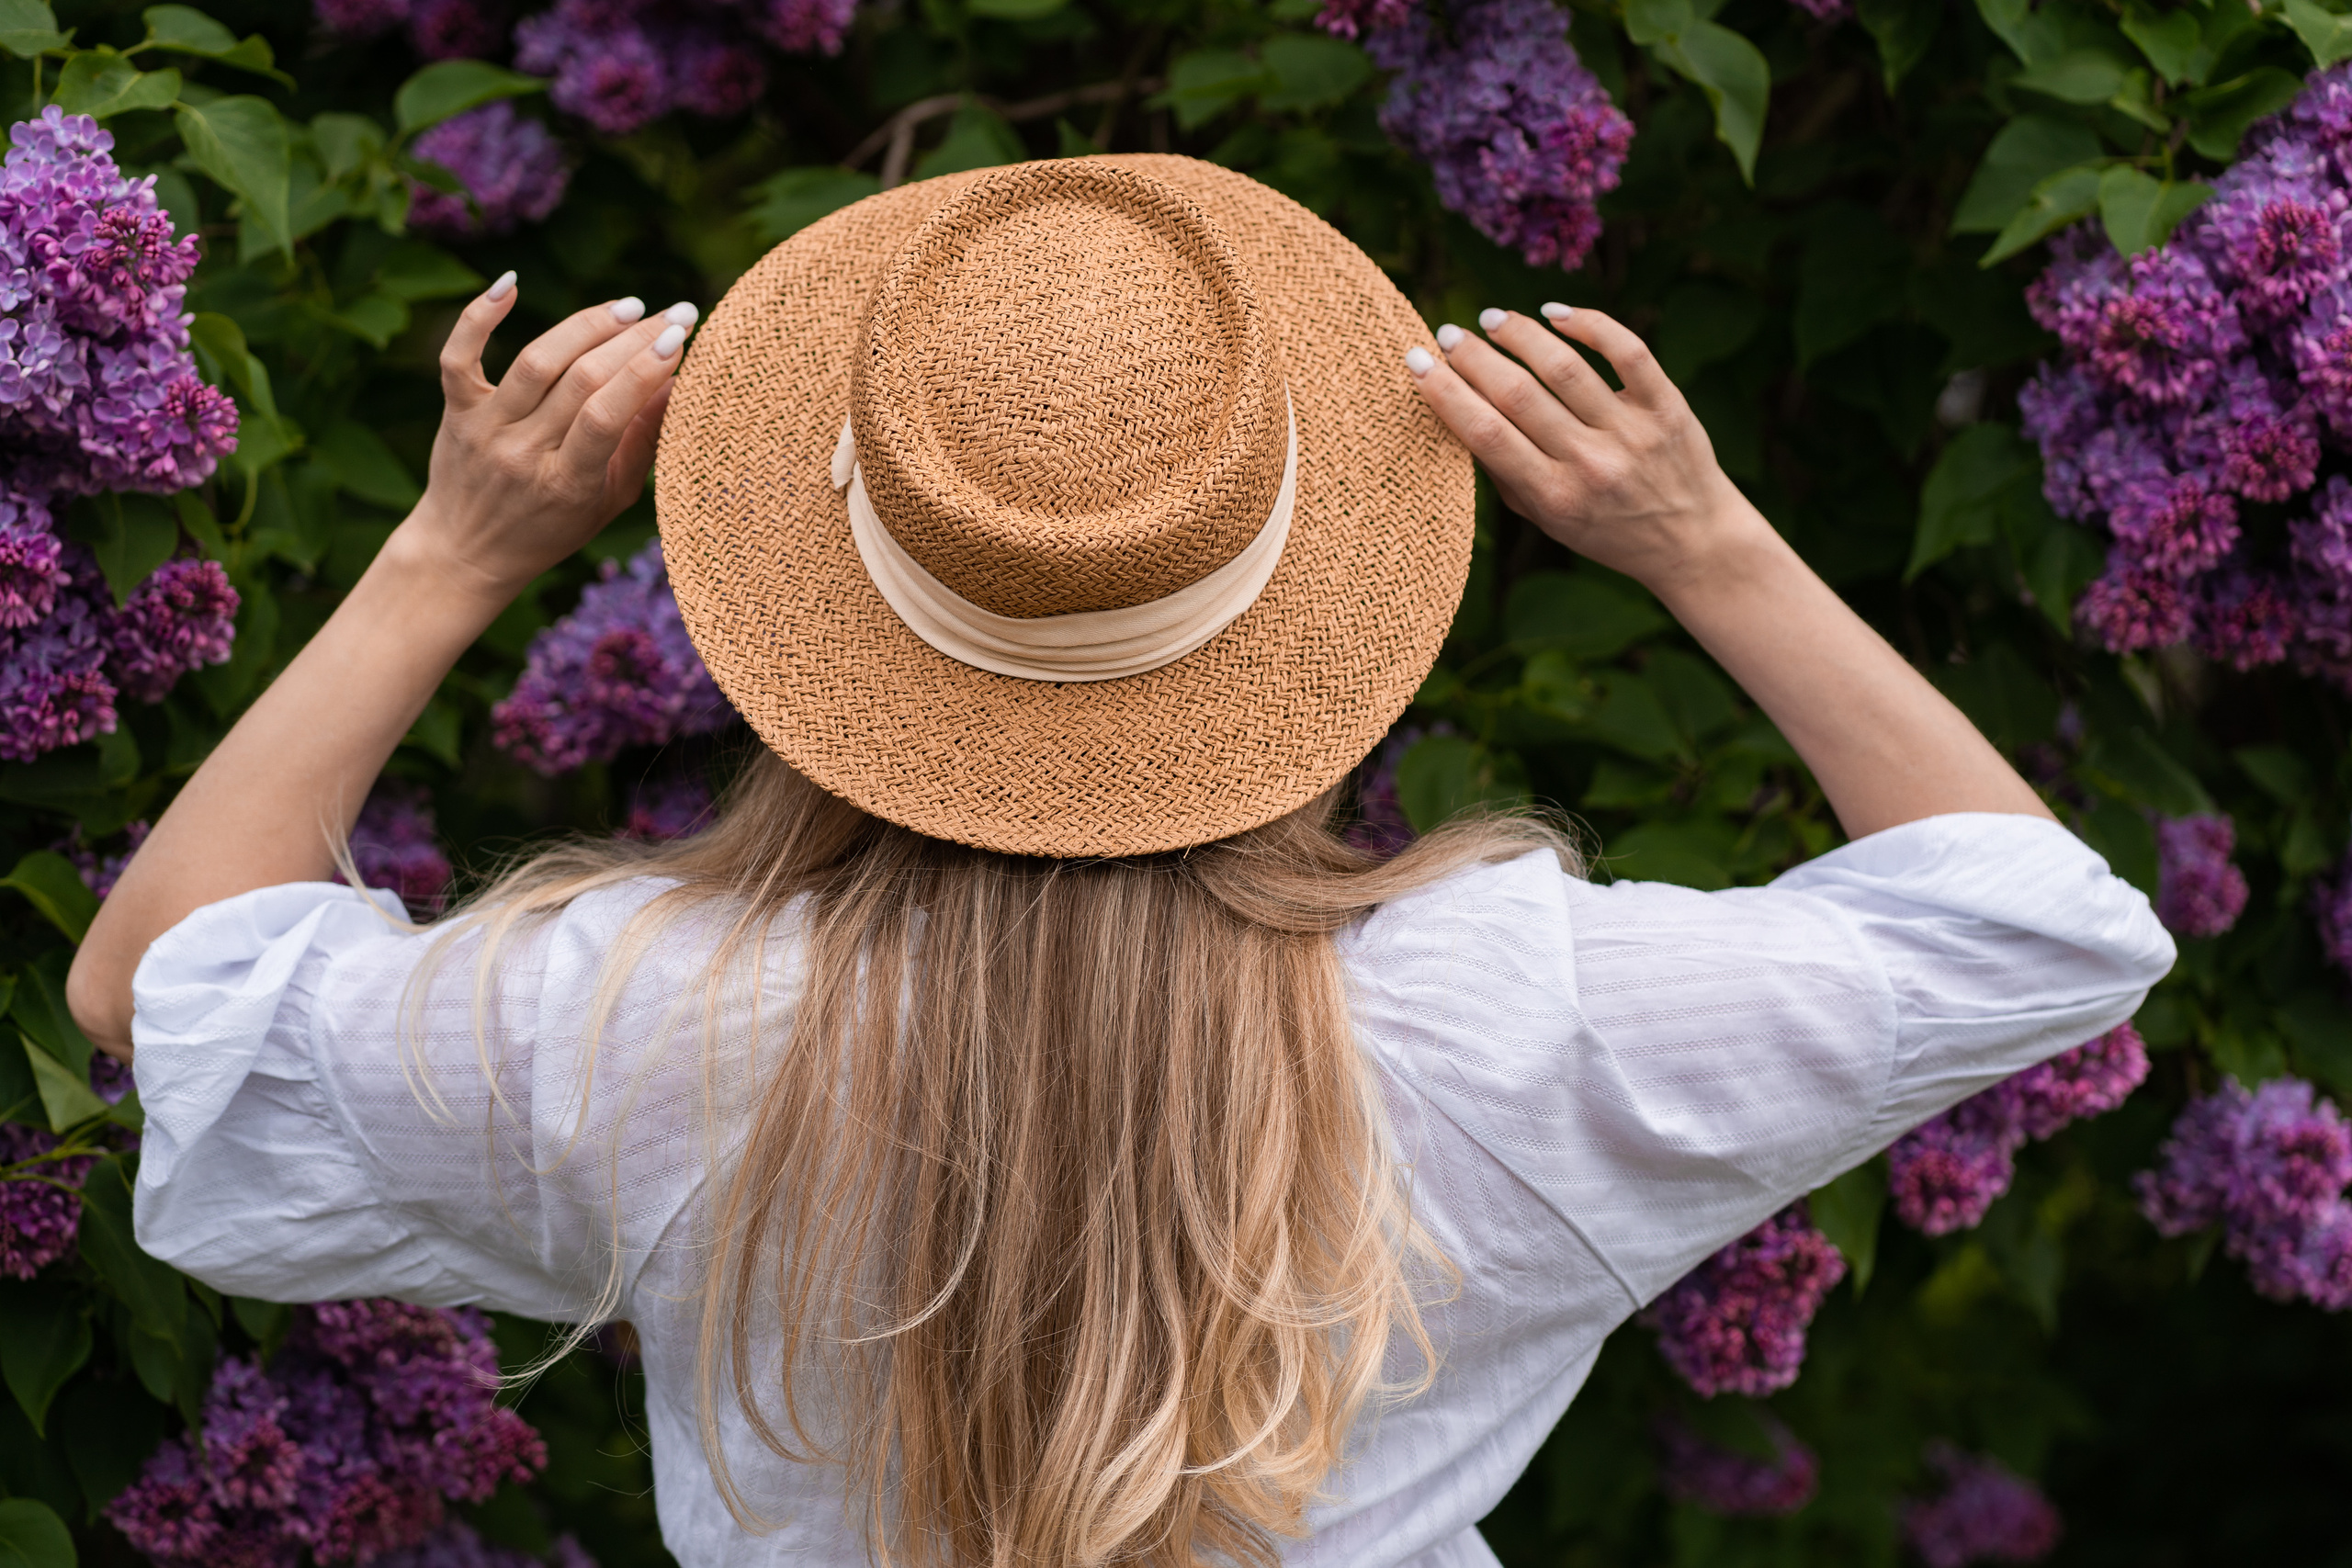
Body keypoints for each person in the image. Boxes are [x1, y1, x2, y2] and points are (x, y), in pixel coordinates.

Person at [68, 158, 2171, 1568]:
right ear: (1303, 601)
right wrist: (1697, 538)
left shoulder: (646, 1012)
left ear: (832, 600)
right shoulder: (1510, 1011)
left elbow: (156, 994)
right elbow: (2026, 918)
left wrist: (455, 549)